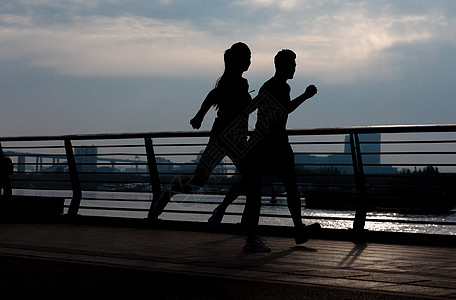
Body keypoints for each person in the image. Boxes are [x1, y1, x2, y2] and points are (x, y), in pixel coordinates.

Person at [149, 42, 252, 219]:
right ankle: (222, 211)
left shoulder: (235, 82)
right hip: (230, 138)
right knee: (249, 178)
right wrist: (199, 116)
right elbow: (215, 96)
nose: (250, 62)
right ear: (240, 61)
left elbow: (220, 99)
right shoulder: (235, 83)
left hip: (224, 136)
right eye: (248, 58)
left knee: (201, 180)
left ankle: (169, 195)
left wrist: (200, 116)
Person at [240, 49, 321, 252]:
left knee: (256, 190)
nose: (295, 67)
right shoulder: (281, 87)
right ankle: (294, 229)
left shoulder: (268, 85)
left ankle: (255, 234)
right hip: (274, 144)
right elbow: (285, 109)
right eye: (292, 64)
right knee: (289, 187)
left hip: (262, 143)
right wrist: (306, 95)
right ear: (283, 66)